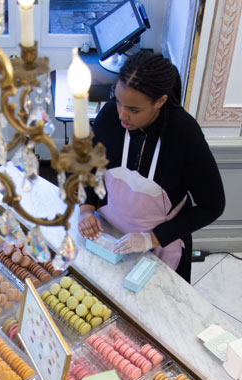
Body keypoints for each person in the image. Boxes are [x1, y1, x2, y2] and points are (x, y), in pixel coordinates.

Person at [78, 51, 225, 283]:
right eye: (118, 101)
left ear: (160, 101)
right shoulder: (109, 117)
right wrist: (87, 208)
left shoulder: (184, 135)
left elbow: (212, 206)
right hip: (108, 232)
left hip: (161, 246)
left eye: (134, 110)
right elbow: (90, 165)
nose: (122, 115)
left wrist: (151, 239)